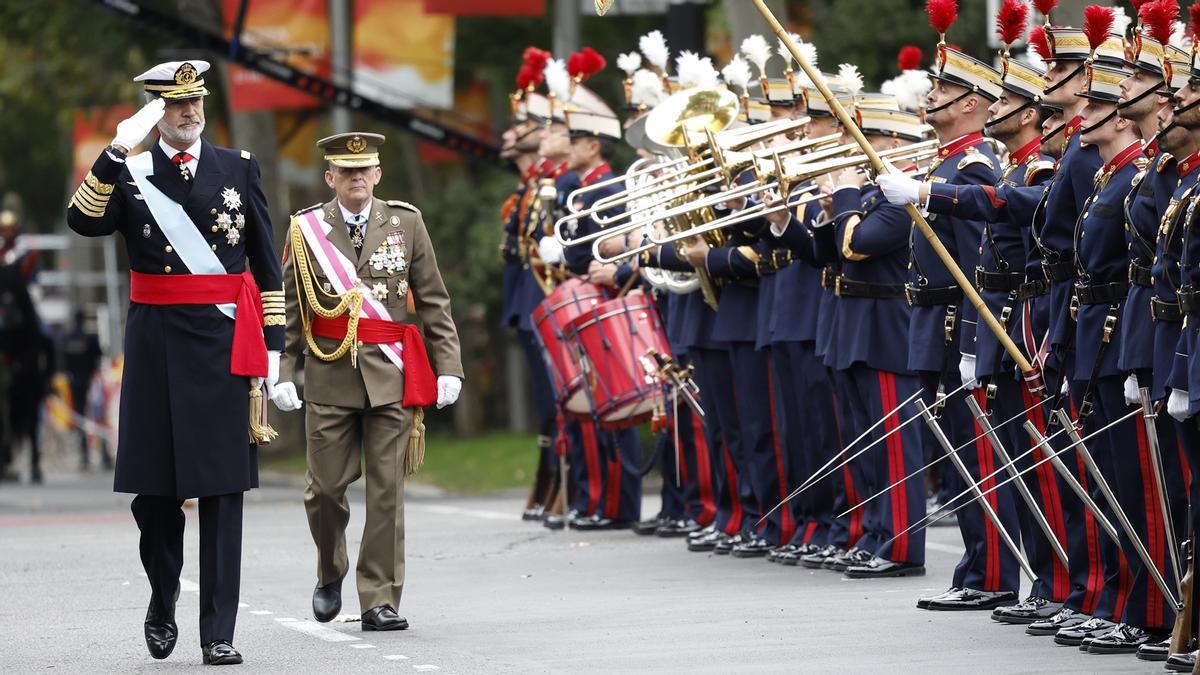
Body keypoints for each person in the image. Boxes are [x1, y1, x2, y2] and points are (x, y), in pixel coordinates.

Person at [65, 60, 285, 665]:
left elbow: (266, 264)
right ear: (156, 112)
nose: (190, 113)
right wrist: (113, 152)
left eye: (196, 102)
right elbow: (82, 222)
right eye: (176, 105)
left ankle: (219, 631)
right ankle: (163, 597)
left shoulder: (236, 169)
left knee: (223, 489)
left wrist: (273, 347)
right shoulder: (131, 175)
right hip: (156, 343)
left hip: (222, 345)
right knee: (156, 495)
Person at [273, 132, 463, 632]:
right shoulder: (305, 229)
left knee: (387, 492)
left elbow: (435, 300)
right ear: (329, 177)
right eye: (346, 171)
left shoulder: (406, 222)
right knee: (324, 491)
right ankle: (330, 566)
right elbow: (293, 310)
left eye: (366, 170)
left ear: (378, 174)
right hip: (329, 372)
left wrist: (449, 366)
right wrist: (282, 371)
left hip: (391, 375)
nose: (357, 178)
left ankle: (379, 597)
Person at [61, 309, 105, 469]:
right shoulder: (91, 338)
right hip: (90, 381)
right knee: (97, 415)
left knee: (80, 416)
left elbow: (64, 361)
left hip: (75, 382)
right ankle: (101, 452)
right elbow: (99, 355)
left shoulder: (67, 339)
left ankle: (84, 452)